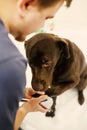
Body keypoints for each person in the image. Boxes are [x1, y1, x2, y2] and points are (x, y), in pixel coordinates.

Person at [0, 0, 72, 130]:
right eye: (46, 18)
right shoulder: (11, 64)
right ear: (26, 5)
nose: (43, 24)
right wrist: (26, 109)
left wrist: (18, 92)